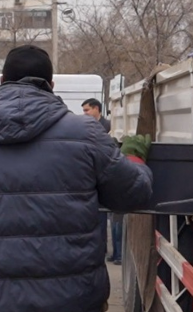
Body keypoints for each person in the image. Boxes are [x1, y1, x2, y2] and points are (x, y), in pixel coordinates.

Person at [0, 45, 153, 312]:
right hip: (73, 299)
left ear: (1, 82)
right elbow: (131, 194)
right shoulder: (86, 132)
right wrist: (134, 157)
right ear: (51, 85)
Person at [83, 98, 123, 265]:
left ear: (96, 109)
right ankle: (104, 249)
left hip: (106, 179)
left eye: (87, 110)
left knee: (114, 220)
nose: (85, 114)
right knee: (101, 219)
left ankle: (117, 252)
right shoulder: (86, 127)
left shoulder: (108, 127)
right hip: (95, 180)